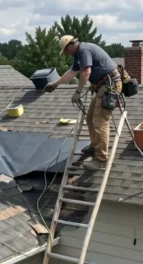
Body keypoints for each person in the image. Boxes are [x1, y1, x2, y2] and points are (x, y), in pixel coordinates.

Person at [44, 35, 123, 170]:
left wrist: (78, 92)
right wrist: (56, 84)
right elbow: (72, 72)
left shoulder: (83, 50)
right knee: (90, 117)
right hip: (102, 87)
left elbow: (86, 72)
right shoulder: (78, 55)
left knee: (100, 121)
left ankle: (101, 158)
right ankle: (95, 146)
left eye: (66, 50)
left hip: (110, 86)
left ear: (71, 45)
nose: (67, 54)